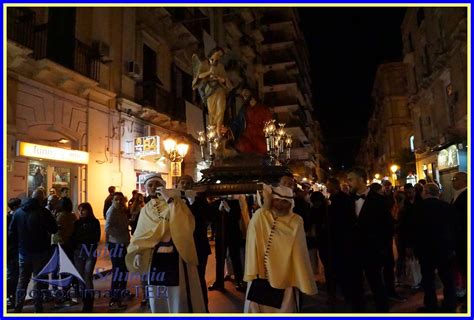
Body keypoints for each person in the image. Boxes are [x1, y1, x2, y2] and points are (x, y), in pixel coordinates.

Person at [125, 173, 205, 313]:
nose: (154, 187)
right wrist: (138, 251)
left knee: (178, 295)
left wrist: (170, 200)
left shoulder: (176, 202)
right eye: (150, 185)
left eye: (157, 184)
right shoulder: (145, 210)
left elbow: (185, 224)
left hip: (177, 255)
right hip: (155, 257)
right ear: (146, 188)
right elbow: (140, 234)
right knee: (158, 295)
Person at [244, 185, 317, 313]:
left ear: (290, 203)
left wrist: (302, 278)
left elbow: (300, 251)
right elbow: (252, 239)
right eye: (276, 200)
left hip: (286, 277)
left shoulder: (296, 221)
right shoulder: (260, 216)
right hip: (260, 276)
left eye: (284, 201)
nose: (280, 204)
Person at [347, 167, 392, 312]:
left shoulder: (379, 200)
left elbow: (387, 227)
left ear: (361, 179)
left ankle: (382, 311)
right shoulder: (348, 200)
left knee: (376, 283)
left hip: (372, 251)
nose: (348, 183)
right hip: (353, 251)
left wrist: (382, 249)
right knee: (355, 285)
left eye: (350, 179)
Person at [9, 189, 58, 313]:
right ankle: (38, 308)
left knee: (22, 280)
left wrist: (18, 247)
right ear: (41, 199)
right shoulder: (44, 212)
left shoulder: (18, 212)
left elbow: (11, 233)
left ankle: (18, 307)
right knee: (38, 281)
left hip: (23, 252)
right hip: (40, 252)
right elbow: (53, 229)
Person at [413, 183, 457, 312]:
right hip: (445, 248)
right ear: (437, 193)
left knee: (428, 279)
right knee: (448, 279)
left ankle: (431, 305)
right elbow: (455, 228)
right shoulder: (447, 207)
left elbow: (414, 230)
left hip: (425, 250)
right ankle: (450, 305)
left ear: (426, 192)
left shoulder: (418, 208)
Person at [177, 175, 211, 311]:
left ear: (192, 186)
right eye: (182, 182)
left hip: (198, 246)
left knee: (199, 279)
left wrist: (194, 202)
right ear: (178, 185)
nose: (185, 185)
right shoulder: (174, 200)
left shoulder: (200, 200)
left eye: (188, 183)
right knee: (183, 281)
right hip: (181, 246)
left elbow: (208, 217)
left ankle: (203, 308)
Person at [326, 178, 356, 305]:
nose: (326, 187)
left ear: (334, 186)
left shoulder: (341, 200)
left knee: (344, 269)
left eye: (328, 185)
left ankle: (348, 294)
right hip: (338, 239)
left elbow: (343, 220)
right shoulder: (335, 199)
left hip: (342, 239)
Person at [208, 196, 245, 292]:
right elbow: (211, 219)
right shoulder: (214, 203)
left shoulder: (234, 203)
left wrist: (228, 209)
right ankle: (219, 282)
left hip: (233, 233)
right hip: (220, 234)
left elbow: (237, 217)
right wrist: (219, 210)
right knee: (219, 259)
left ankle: (239, 280)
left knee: (235, 258)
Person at [192, 47, 232, 131]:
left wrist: (221, 79)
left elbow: (225, 79)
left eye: (220, 56)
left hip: (219, 88)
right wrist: (209, 72)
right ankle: (212, 128)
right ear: (214, 52)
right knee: (212, 110)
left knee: (221, 108)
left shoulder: (220, 66)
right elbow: (198, 76)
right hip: (209, 90)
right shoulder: (204, 63)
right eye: (218, 54)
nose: (219, 57)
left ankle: (218, 128)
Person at [72, 202, 101, 312]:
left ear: (88, 210)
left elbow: (96, 237)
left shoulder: (94, 222)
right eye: (79, 210)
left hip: (89, 251)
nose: (81, 212)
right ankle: (85, 299)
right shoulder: (77, 223)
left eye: (83, 210)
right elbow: (74, 237)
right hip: (78, 252)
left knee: (87, 276)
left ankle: (89, 302)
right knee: (81, 277)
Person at [105, 192, 130, 311]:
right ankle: (115, 299)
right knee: (118, 271)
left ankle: (122, 293)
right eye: (116, 199)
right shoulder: (112, 211)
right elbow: (108, 228)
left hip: (123, 243)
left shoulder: (122, 210)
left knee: (124, 270)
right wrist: (119, 236)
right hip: (116, 244)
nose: (119, 201)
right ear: (112, 200)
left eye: (121, 199)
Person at [230, 88, 273, 155]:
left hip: (259, 135)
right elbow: (237, 122)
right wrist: (229, 129)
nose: (244, 97)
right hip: (247, 136)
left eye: (246, 94)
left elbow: (269, 124)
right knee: (242, 146)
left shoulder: (263, 109)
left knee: (263, 147)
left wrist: (265, 132)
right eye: (243, 95)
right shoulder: (244, 109)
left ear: (252, 94)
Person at [451, 172, 467, 296]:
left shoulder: (467, 195)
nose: (452, 181)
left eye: (455, 179)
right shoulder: (457, 194)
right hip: (459, 238)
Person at [7, 198, 22, 309]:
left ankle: (11, 298)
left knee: (13, 275)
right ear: (16, 207)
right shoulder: (11, 218)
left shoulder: (9, 217)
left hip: (12, 251)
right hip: (12, 251)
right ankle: (10, 298)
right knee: (13, 276)